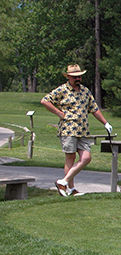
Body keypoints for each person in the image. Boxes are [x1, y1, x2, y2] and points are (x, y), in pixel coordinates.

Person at [41, 64, 112, 197]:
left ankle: (63, 182)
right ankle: (71, 189)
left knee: (86, 157)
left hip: (83, 130)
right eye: (74, 77)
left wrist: (105, 123)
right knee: (70, 158)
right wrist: (59, 113)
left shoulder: (85, 91)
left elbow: (94, 109)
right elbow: (45, 101)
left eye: (79, 76)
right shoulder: (62, 90)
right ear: (68, 77)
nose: (77, 78)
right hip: (68, 129)